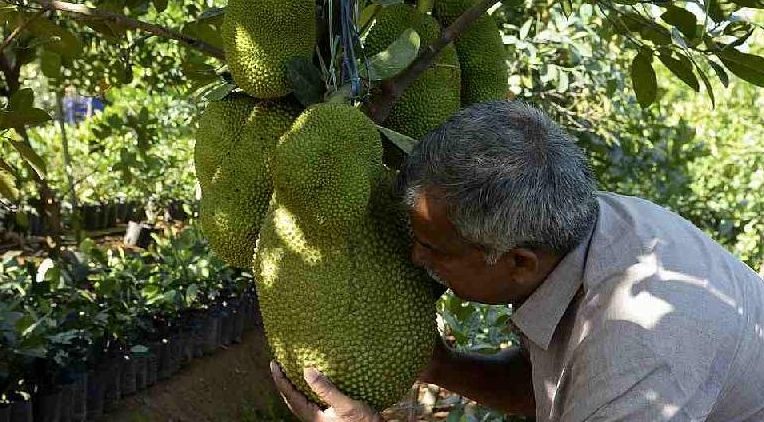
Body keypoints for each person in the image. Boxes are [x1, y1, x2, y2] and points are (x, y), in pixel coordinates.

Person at [270, 100, 764, 421]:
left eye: (436, 249)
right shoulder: (586, 228)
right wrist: (439, 365)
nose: (414, 258)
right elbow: (548, 391)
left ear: (519, 263)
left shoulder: (634, 369)